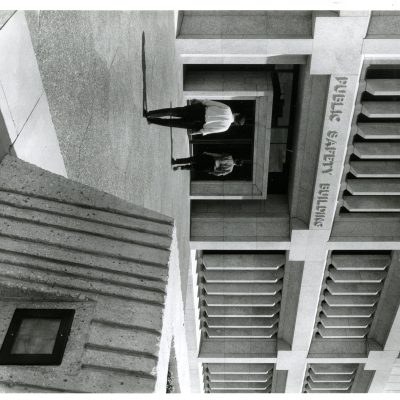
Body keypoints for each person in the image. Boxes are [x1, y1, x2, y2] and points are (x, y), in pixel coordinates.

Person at [145, 99, 245, 135]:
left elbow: (210, 102)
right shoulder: (226, 127)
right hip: (198, 123)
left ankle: (150, 114)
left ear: (237, 114)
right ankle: (152, 120)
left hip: (199, 110)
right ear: (236, 123)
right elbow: (208, 131)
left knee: (174, 111)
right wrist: (195, 132)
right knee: (173, 123)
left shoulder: (227, 108)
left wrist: (198, 101)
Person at [172, 152, 243, 176]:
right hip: (211, 168)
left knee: (193, 159)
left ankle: (176, 162)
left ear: (236, 159)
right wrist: (211, 172)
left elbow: (217, 155)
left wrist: (208, 153)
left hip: (211, 160)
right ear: (237, 165)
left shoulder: (230, 156)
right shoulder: (230, 170)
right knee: (194, 167)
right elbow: (219, 174)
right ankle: (180, 168)